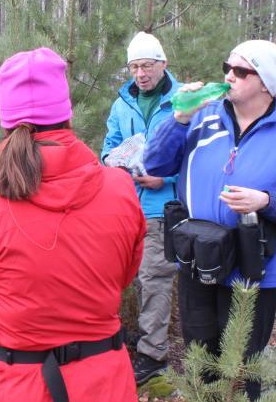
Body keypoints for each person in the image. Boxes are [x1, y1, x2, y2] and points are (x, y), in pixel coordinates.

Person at [0, 47, 145, 402]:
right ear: (66, 112)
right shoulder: (120, 188)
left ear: (6, 118)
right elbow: (121, 276)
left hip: (15, 387)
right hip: (105, 384)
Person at [143, 39, 276, 401]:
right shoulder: (201, 117)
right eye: (228, 66)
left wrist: (267, 201)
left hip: (252, 268)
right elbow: (156, 165)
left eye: (242, 71)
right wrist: (179, 118)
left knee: (241, 370)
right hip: (198, 259)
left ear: (265, 82)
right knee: (200, 359)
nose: (230, 76)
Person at [100, 31, 179, 384]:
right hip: (126, 206)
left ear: (162, 64)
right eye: (134, 67)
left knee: (154, 280)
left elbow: (197, 153)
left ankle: (152, 356)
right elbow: (109, 147)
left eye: (147, 66)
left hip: (163, 208)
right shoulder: (122, 104)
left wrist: (168, 178)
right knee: (118, 276)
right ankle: (124, 338)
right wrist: (114, 161)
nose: (141, 74)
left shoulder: (181, 101)